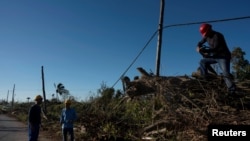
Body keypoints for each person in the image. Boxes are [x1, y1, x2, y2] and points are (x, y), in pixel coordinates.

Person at [196, 23, 236, 95]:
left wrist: (206, 51)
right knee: (202, 62)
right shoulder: (207, 36)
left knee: (225, 73)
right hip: (215, 56)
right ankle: (205, 80)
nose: (206, 35)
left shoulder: (217, 36)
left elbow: (216, 48)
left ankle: (232, 90)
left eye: (206, 33)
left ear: (209, 30)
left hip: (223, 56)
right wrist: (198, 46)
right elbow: (200, 42)